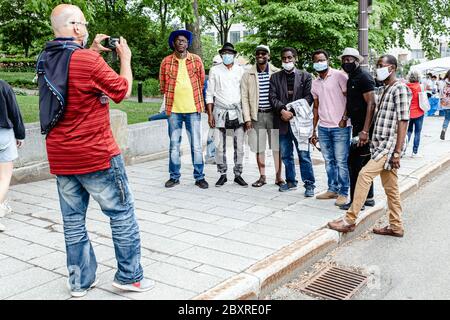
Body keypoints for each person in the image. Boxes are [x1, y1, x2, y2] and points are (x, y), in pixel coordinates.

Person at [39, 4, 154, 297]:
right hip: (96, 153)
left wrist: (90, 50)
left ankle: (79, 281)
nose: (86, 26)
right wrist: (124, 59)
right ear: (76, 27)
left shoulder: (46, 58)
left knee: (73, 221)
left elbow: (71, 82)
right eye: (84, 23)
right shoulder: (87, 62)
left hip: (62, 157)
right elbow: (122, 91)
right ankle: (129, 276)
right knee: (121, 213)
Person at [328, 55, 411, 238]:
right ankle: (396, 226)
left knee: (364, 175)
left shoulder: (400, 89)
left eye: (382, 65)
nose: (378, 68)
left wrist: (397, 152)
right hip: (380, 144)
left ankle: (349, 220)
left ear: (393, 68)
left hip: (389, 146)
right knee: (391, 188)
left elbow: (403, 120)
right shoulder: (385, 89)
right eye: (377, 65)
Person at [159, 30, 208, 189]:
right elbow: (162, 85)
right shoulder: (166, 62)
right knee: (174, 144)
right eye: (178, 41)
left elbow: (201, 82)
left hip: (193, 110)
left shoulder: (196, 60)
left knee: (196, 145)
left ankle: (199, 177)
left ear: (188, 44)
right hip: (174, 110)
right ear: (174, 43)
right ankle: (174, 176)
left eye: (184, 41)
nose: (181, 43)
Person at [269, 47, 316, 196]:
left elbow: (309, 97)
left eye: (290, 58)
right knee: (286, 155)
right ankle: (290, 181)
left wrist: (293, 112)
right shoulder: (275, 77)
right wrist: (282, 110)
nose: (287, 61)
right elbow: (272, 97)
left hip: (300, 121)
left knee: (303, 154)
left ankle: (309, 184)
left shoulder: (306, 76)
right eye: (284, 58)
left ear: (295, 58)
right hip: (282, 121)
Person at [310, 49, 350, 206]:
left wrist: (344, 118)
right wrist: (313, 129)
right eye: (317, 61)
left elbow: (348, 100)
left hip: (340, 127)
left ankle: (344, 192)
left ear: (328, 60)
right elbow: (316, 107)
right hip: (324, 127)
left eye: (322, 60)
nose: (320, 63)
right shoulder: (315, 83)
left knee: (341, 161)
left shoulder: (339, 76)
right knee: (328, 160)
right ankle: (332, 189)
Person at [338, 48, 376, 211]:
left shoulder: (364, 77)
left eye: (350, 60)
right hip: (356, 126)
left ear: (357, 60)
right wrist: (345, 117)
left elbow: (371, 104)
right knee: (365, 163)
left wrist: (365, 131)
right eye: (344, 60)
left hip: (364, 129)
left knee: (354, 164)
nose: (346, 63)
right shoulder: (351, 77)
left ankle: (356, 202)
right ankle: (369, 198)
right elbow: (350, 101)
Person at [206, 42, 248, 187]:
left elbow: (244, 93)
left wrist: (246, 115)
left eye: (229, 54)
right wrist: (210, 114)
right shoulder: (214, 70)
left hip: (237, 111)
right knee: (219, 146)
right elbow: (210, 94)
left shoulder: (240, 70)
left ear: (234, 56)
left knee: (240, 146)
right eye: (224, 53)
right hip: (220, 111)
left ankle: (238, 174)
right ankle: (222, 174)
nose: (227, 56)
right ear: (221, 55)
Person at [241, 45, 284, 187]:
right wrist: (247, 119)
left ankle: (278, 177)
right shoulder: (248, 74)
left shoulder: (277, 72)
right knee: (259, 147)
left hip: (274, 115)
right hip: (257, 116)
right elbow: (244, 98)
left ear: (268, 56)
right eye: (258, 53)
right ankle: (262, 176)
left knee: (277, 147)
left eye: (264, 53)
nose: (261, 56)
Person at [0, 80, 25, 232]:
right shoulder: (3, 86)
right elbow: (14, 112)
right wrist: (20, 135)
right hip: (3, 134)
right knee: (4, 178)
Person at [204, 55, 223, 165]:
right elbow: (208, 95)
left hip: (222, 108)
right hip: (214, 109)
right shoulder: (211, 77)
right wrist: (209, 112)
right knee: (212, 132)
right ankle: (210, 156)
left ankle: (216, 155)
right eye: (214, 64)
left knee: (219, 134)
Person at [406, 71, 425, 157]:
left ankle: (403, 150)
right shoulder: (420, 87)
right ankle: (415, 152)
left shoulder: (406, 86)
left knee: (408, 132)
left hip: (408, 113)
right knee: (417, 132)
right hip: (419, 112)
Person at [440, 70, 450, 140]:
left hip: (445, 103)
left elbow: (441, 92)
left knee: (446, 118)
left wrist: (442, 101)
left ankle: (444, 130)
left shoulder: (443, 83)